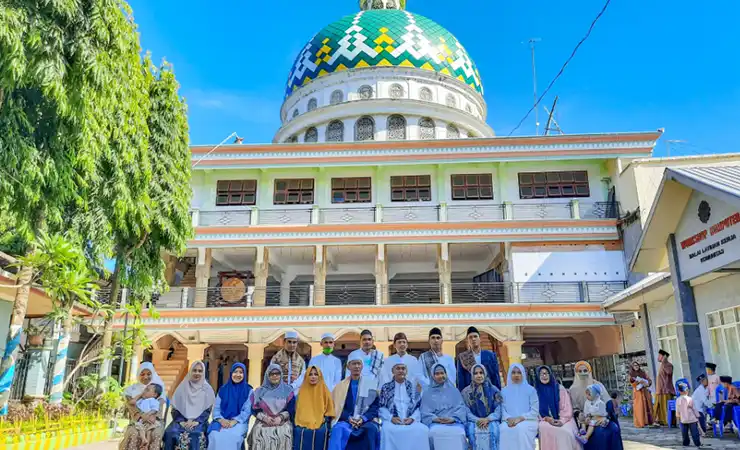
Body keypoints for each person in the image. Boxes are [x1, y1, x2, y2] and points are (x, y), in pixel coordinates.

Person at [329, 356, 381, 450]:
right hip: (346, 420)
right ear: (348, 367)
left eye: (359, 364)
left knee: (371, 430)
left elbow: (375, 406)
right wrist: (349, 418)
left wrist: (363, 418)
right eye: (354, 364)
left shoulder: (371, 384)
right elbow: (337, 407)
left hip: (366, 421)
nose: (356, 366)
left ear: (362, 366)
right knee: (338, 430)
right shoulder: (340, 386)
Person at [164, 361, 216, 450]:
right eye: (194, 370)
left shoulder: (207, 389)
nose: (197, 373)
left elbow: (207, 410)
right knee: (170, 432)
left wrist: (196, 421)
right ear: (190, 371)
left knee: (197, 433)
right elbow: (175, 408)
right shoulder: (182, 387)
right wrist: (181, 421)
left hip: (200, 422)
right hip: (180, 420)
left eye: (200, 371)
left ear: (203, 373)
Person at [379, 361, 430, 450]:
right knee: (386, 430)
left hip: (410, 420)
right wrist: (391, 418)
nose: (401, 371)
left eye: (403, 368)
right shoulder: (386, 387)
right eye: (398, 368)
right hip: (392, 421)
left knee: (423, 430)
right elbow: (381, 407)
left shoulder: (412, 387)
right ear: (392, 371)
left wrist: (412, 418)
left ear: (406, 371)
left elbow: (418, 406)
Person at [248, 363, 296, 450]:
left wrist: (280, 418)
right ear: (267, 375)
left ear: (281, 375)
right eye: (271, 374)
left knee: (283, 432)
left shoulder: (288, 390)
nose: (274, 376)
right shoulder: (259, 391)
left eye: (277, 373)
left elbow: (291, 409)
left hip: (282, 421)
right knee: (259, 432)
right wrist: (264, 418)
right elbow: (254, 410)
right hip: (263, 420)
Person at [421, 363, 468, 450]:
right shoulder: (427, 393)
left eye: (442, 373)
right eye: (437, 374)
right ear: (432, 375)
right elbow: (424, 411)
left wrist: (453, 418)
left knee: (459, 433)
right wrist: (435, 419)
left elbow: (461, 407)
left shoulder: (454, 390)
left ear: (446, 374)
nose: (440, 376)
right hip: (436, 423)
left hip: (454, 422)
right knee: (433, 433)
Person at [120, 363, 167, 450]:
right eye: (142, 374)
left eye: (149, 374)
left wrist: (150, 416)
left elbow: (158, 409)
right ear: (138, 374)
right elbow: (131, 406)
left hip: (154, 421)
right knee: (133, 433)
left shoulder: (157, 390)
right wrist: (141, 415)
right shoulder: (131, 390)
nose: (145, 377)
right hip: (137, 420)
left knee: (156, 433)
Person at [207, 362, 253, 450]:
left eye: (241, 372)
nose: (238, 375)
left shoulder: (249, 390)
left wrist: (234, 421)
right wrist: (221, 420)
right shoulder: (223, 389)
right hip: (222, 420)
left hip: (239, 422)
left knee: (233, 436)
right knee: (214, 435)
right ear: (231, 373)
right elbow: (216, 409)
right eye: (235, 372)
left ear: (244, 374)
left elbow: (247, 411)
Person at [535, 366, 579, 450]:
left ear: (550, 374)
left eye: (546, 373)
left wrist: (561, 421)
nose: (544, 376)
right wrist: (547, 419)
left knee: (566, 432)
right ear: (537, 376)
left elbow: (566, 408)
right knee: (544, 428)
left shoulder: (559, 388)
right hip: (544, 420)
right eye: (541, 374)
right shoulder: (535, 392)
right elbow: (534, 411)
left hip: (564, 419)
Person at [294, 365, 335, 450]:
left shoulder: (325, 390)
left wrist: (325, 419)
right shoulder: (301, 391)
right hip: (302, 420)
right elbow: (298, 411)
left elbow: (329, 410)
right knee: (299, 431)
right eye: (310, 374)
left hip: (321, 420)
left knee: (322, 432)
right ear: (306, 376)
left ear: (319, 376)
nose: (313, 377)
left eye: (316, 374)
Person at [499, 363, 538, 450]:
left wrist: (520, 418)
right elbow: (502, 409)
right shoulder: (504, 391)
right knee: (503, 429)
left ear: (523, 374)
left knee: (520, 429)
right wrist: (508, 418)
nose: (516, 375)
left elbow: (534, 411)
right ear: (509, 374)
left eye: (519, 372)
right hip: (508, 421)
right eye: (513, 372)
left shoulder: (531, 390)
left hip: (528, 420)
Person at [462, 363, 501, 450]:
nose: (479, 375)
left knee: (494, 430)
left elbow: (499, 409)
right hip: (473, 421)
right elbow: (465, 410)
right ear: (472, 375)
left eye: (481, 373)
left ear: (485, 374)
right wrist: (478, 420)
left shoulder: (494, 390)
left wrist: (488, 419)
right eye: (475, 373)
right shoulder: (465, 392)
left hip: (491, 420)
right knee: (472, 431)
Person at [135, 384, 164, 449]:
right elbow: (136, 404)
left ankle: (146, 444)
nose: (144, 391)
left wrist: (148, 414)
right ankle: (144, 440)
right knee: (141, 429)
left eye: (147, 390)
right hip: (142, 420)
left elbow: (155, 409)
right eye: (145, 389)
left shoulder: (153, 400)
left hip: (150, 419)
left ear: (155, 395)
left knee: (149, 431)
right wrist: (140, 396)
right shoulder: (142, 400)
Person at [627, 360, 654, 428]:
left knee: (648, 406)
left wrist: (647, 383)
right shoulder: (631, 374)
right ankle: (640, 422)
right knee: (639, 407)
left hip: (645, 391)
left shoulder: (643, 373)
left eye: (637, 365)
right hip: (638, 392)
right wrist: (637, 382)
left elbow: (649, 381)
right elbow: (632, 383)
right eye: (634, 365)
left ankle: (649, 421)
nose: (636, 367)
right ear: (632, 367)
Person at [676, 382, 702, 447]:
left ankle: (685, 443)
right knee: (694, 432)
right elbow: (694, 409)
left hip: (683, 419)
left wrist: (678, 417)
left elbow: (677, 410)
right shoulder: (690, 399)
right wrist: (697, 415)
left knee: (684, 433)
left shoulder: (678, 400)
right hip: (692, 419)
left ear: (679, 391)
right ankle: (697, 443)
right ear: (687, 390)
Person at [653, 349, 675, 426]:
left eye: (659, 355)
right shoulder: (662, 365)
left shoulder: (668, 365)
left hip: (666, 390)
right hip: (660, 390)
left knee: (665, 407)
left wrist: (665, 362)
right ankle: (661, 420)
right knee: (659, 406)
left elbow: (669, 372)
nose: (658, 357)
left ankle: (667, 421)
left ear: (663, 356)